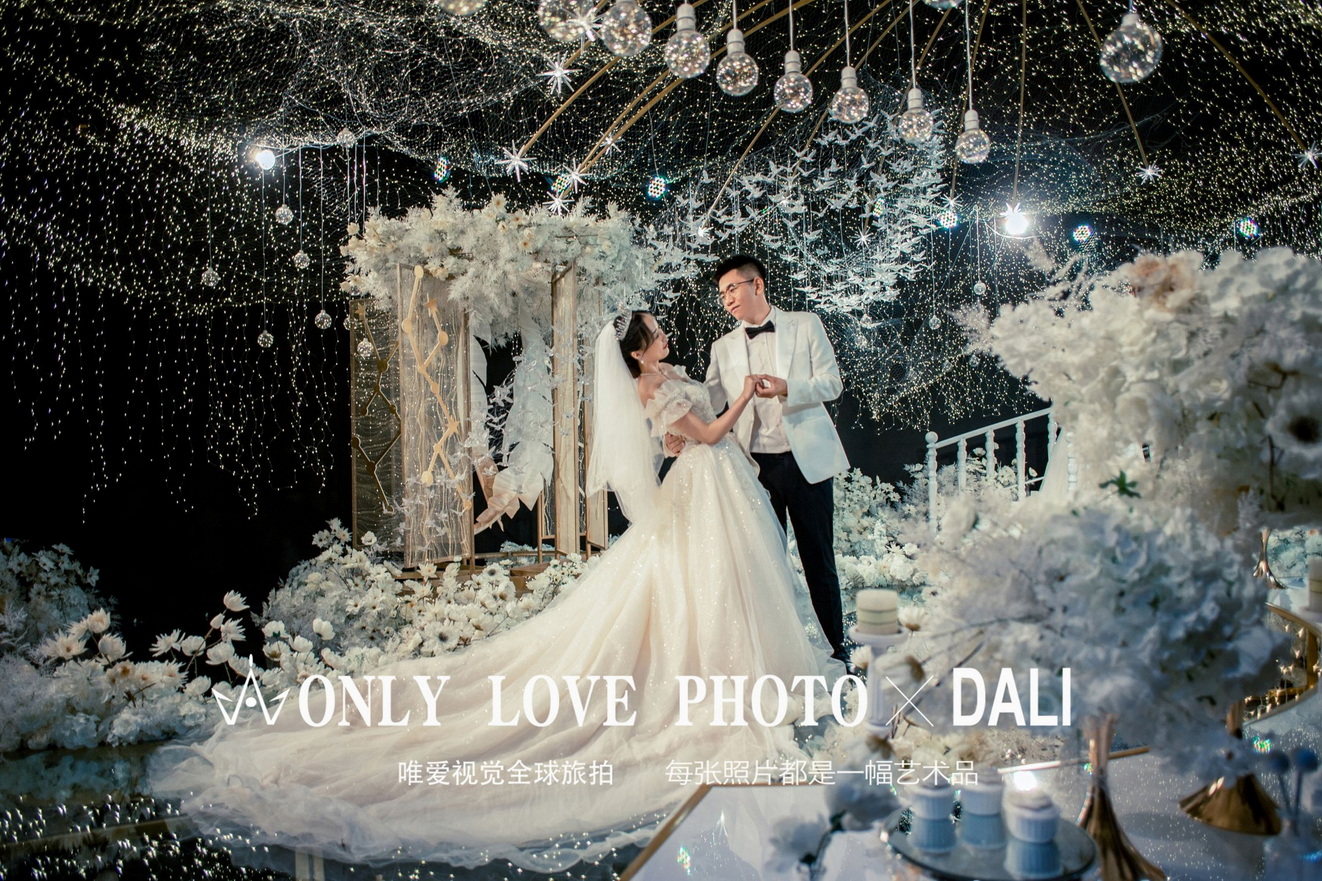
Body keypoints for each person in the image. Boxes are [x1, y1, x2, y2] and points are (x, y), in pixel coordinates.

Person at [150, 311, 842, 872]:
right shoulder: (651, 389)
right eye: (656, 332)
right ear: (637, 352)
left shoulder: (670, 374)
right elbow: (708, 432)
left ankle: (746, 664)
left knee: (719, 584)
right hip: (703, 486)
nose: (666, 335)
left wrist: (707, 422)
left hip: (715, 488)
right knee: (697, 588)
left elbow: (689, 433)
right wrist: (744, 399)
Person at [702, 255, 850, 663]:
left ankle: (836, 650)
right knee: (766, 567)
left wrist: (788, 387)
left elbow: (832, 383)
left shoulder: (805, 324)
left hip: (806, 463)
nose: (727, 299)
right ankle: (780, 657)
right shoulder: (723, 347)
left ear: (757, 285)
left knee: (819, 560)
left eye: (732, 288)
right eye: (722, 294)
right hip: (755, 468)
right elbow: (709, 402)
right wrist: (676, 421)